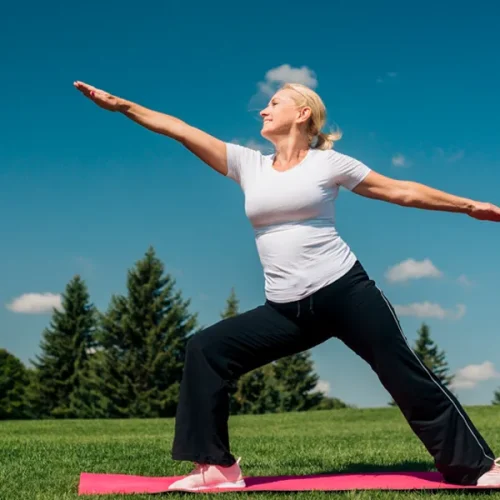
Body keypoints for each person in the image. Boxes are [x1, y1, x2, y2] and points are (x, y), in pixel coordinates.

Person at [74, 80, 500, 491]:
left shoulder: (329, 164)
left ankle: (476, 466)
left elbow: (400, 190)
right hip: (286, 310)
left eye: (274, 102)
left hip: (346, 294)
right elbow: (181, 129)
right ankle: (218, 468)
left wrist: (467, 206)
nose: (263, 109)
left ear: (302, 113)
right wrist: (122, 105)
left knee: (403, 373)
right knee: (206, 349)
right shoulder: (249, 165)